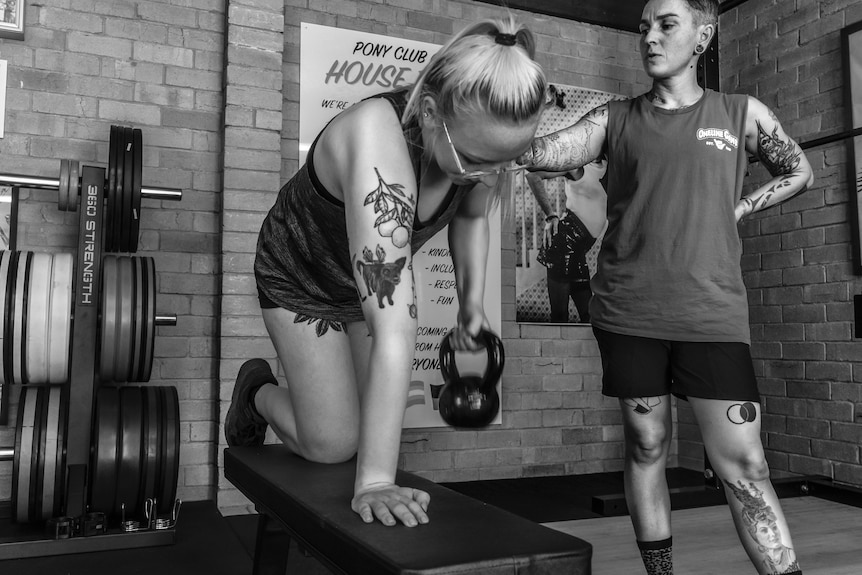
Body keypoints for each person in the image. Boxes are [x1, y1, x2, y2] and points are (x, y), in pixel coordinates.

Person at [519, 1, 813, 574]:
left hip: (711, 314)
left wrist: (740, 207)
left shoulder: (739, 113)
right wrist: (498, 119)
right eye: (643, 28)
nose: (649, 37)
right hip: (629, 311)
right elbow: (548, 153)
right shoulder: (616, 118)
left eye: (666, 25)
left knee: (745, 464)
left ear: (704, 36)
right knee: (647, 445)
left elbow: (797, 168)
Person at [225, 16, 547, 528]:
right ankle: (255, 391)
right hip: (300, 274)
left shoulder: (475, 143)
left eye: (501, 165)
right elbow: (396, 329)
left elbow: (469, 217)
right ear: (429, 112)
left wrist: (471, 309)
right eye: (476, 162)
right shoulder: (377, 135)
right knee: (334, 445)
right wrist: (376, 481)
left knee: (364, 419)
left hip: (358, 281)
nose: (487, 176)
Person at [525, 156, 607, 323]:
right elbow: (533, 176)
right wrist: (550, 215)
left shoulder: (609, 167)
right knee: (560, 315)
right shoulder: (578, 166)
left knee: (588, 316)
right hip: (564, 243)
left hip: (579, 251)